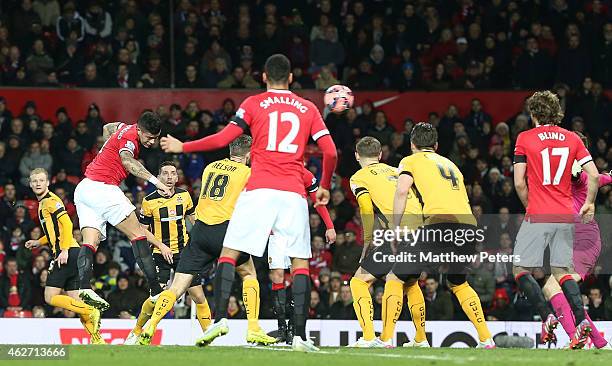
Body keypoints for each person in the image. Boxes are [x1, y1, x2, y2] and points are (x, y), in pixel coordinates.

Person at [160, 54, 337, 352]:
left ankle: (219, 320)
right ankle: (300, 338)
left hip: (259, 188)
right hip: (293, 191)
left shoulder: (254, 103)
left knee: (229, 254)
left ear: (264, 77)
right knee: (300, 263)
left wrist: (183, 146)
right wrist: (326, 186)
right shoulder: (308, 108)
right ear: (291, 78)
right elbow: (330, 152)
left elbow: (223, 138)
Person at [140, 136, 276, 347]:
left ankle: (151, 324)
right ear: (249, 154)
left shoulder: (211, 167)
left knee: (176, 287)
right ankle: (253, 329)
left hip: (200, 232)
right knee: (248, 273)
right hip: (225, 231)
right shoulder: (247, 173)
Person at [392, 122, 495, 348]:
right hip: (468, 227)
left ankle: (384, 339)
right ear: (436, 145)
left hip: (440, 223)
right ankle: (486, 338)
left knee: (399, 277)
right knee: (458, 282)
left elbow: (401, 191)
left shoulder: (410, 160)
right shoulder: (451, 164)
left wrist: (395, 228)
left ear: (412, 144)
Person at [512, 91, 599, 349]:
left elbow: (518, 182)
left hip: (538, 212)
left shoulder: (525, 138)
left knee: (520, 270)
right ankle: (581, 320)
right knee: (562, 272)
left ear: (534, 113)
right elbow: (593, 175)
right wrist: (589, 203)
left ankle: (547, 316)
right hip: (564, 215)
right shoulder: (572, 138)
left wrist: (531, 207)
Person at [73, 111, 173, 312]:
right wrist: (156, 182)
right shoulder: (130, 138)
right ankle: (155, 290)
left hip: (84, 188)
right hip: (104, 187)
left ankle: (84, 286)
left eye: (155, 138)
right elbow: (128, 161)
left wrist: (108, 147)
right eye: (149, 137)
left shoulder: (123, 128)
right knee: (137, 234)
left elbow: (107, 128)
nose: (152, 142)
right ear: (139, 130)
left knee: (90, 241)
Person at [348, 136, 426, 348]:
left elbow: (365, 208)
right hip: (423, 230)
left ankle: (371, 337)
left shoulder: (358, 177)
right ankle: (421, 339)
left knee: (359, 282)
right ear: (380, 155)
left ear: (357, 156)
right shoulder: (396, 170)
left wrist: (367, 241)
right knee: (410, 282)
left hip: (399, 233)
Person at [123, 161, 211, 345]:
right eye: (166, 173)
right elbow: (142, 230)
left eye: (173, 173)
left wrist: (203, 239)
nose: (170, 177)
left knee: (199, 296)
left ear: (177, 177)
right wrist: (161, 246)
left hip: (184, 254)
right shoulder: (149, 201)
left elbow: (193, 218)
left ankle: (208, 337)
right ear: (159, 177)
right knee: (156, 298)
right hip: (159, 254)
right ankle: (137, 331)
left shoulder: (184, 196)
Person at [539, 132, 610, 349]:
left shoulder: (577, 173)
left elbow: (579, 174)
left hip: (584, 241)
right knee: (554, 289)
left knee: (555, 288)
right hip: (573, 242)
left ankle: (577, 337)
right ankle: (597, 342)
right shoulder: (578, 175)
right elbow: (604, 177)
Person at [24, 168, 103, 344]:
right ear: (30, 184)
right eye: (34, 181)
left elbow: (67, 223)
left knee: (50, 297)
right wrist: (39, 242)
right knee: (75, 302)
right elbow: (56, 231)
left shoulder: (51, 201)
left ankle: (91, 311)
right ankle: (97, 340)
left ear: (48, 182)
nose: (37, 183)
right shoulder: (44, 203)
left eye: (41, 180)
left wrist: (64, 249)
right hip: (74, 254)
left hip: (68, 253)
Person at [268, 166, 336, 344]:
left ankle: (295, 328)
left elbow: (318, 202)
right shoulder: (271, 170)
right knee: (277, 277)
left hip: (298, 232)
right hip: (275, 233)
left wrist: (329, 226)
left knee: (299, 275)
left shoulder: (304, 174)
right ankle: (282, 327)